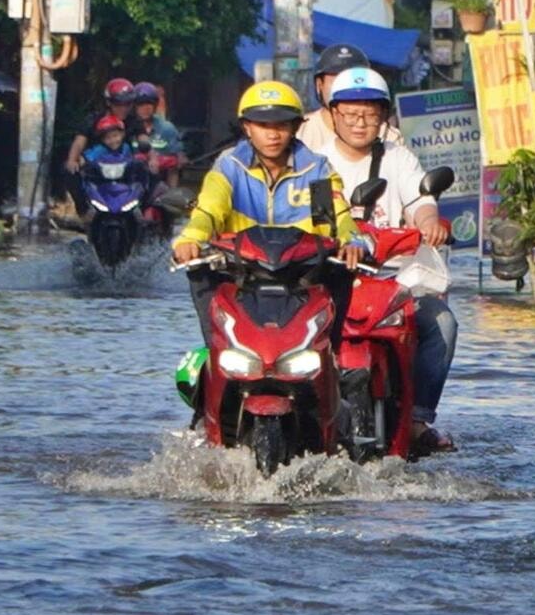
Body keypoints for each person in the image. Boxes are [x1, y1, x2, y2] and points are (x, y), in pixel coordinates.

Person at [321, 66, 458, 454]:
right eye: (350, 113)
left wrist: (431, 224)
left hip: (393, 282)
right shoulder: (315, 163)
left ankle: (416, 420)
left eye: (370, 113)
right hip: (330, 280)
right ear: (333, 114)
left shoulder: (399, 159)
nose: (360, 122)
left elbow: (421, 203)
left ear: (384, 117)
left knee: (442, 323)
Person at [172, 81, 366, 340]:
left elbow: (335, 216)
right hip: (240, 275)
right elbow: (209, 209)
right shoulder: (230, 166)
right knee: (197, 270)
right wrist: (190, 239)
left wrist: (351, 241)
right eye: (263, 125)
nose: (273, 135)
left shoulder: (316, 169)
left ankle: (332, 355)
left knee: (342, 272)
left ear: (296, 127)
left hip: (303, 278)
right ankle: (214, 353)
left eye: (282, 125)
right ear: (247, 128)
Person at [296, 44, 402, 155]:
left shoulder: (388, 135)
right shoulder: (301, 131)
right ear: (319, 85)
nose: (345, 86)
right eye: (337, 79)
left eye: (354, 79)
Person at [63, 78, 138, 211]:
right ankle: (83, 210)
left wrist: (148, 155)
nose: (124, 108)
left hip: (127, 171)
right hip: (97, 170)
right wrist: (73, 159)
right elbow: (79, 141)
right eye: (119, 103)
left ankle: (145, 213)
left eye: (128, 104)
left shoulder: (133, 121)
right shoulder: (94, 119)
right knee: (70, 172)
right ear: (109, 102)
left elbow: (143, 139)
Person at [128, 82, 184, 186]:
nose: (146, 108)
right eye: (141, 104)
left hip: (159, 186)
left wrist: (171, 194)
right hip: (130, 185)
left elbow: (175, 166)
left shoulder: (167, 128)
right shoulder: (126, 127)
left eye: (149, 103)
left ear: (155, 105)